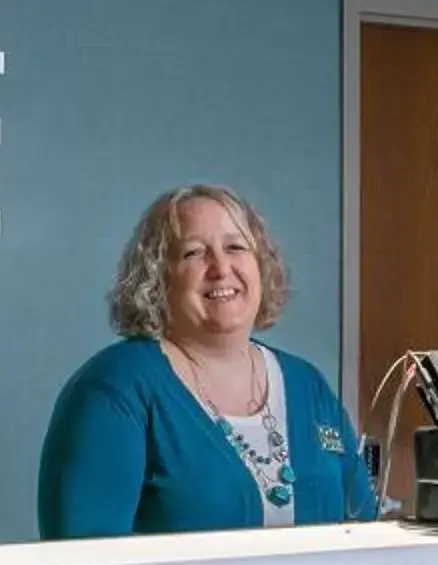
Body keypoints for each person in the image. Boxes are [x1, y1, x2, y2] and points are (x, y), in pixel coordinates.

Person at [38, 184, 378, 538]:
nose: (221, 267)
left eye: (236, 247)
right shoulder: (114, 390)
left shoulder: (307, 384)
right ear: (156, 277)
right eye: (194, 253)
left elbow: (362, 526)